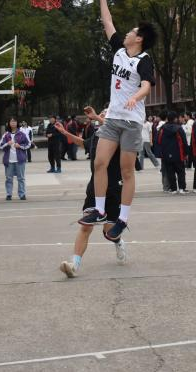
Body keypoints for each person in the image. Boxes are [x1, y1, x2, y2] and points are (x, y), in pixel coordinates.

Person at [79, 0, 156, 243]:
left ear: (139, 38)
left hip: (132, 122)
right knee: (99, 163)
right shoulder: (119, 52)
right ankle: (100, 210)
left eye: (132, 32)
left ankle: (122, 219)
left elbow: (146, 86)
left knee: (126, 172)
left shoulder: (144, 60)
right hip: (112, 118)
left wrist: (136, 96)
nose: (126, 34)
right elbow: (107, 21)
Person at [59, 107, 128, 277]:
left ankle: (118, 241)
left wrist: (98, 117)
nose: (103, 115)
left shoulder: (119, 135)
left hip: (113, 189)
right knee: (85, 227)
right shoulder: (97, 136)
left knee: (109, 232)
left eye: (106, 114)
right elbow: (83, 143)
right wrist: (65, 133)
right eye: (102, 113)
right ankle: (74, 264)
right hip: (95, 189)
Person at [156, 111, 189, 194]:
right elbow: (184, 141)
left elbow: (158, 141)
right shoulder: (178, 128)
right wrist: (186, 152)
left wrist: (160, 153)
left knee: (170, 172)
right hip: (178, 153)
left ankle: (173, 189)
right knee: (180, 171)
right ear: (175, 118)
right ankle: (182, 188)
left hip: (166, 153)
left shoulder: (162, 128)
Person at [0, 117, 29, 200]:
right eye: (11, 121)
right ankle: (9, 194)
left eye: (15, 121)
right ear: (9, 123)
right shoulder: (6, 134)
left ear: (17, 123)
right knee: (9, 178)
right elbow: (1, 146)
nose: (13, 123)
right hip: (9, 160)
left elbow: (28, 144)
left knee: (21, 178)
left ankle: (22, 194)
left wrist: (20, 146)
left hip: (20, 160)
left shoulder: (22, 133)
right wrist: (7, 144)